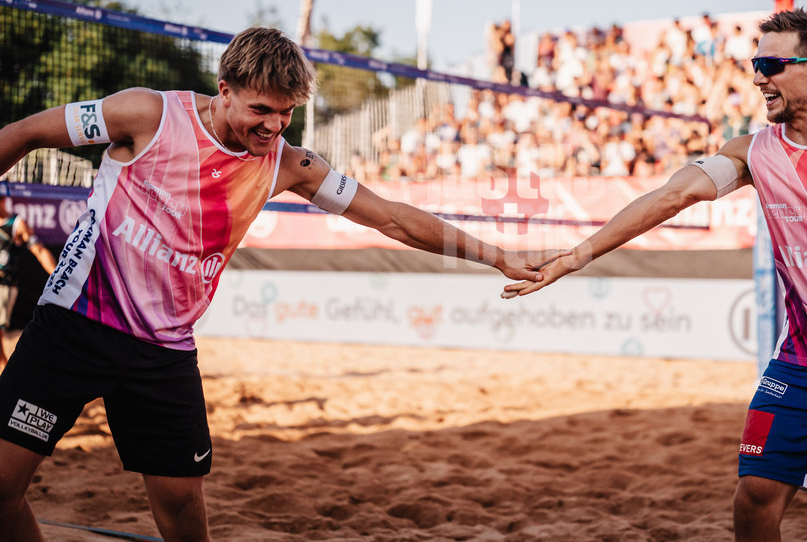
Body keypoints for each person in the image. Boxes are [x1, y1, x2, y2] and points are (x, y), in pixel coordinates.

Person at [0, 27, 556, 542]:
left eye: (286, 114)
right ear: (224, 91)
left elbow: (390, 217)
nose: (272, 126)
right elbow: (25, 133)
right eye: (261, 109)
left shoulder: (290, 164)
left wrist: (497, 257)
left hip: (164, 351)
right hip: (73, 325)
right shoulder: (147, 114)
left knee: (179, 505)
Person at [503, 9, 807, 541]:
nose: (757, 77)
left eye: (771, 64)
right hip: (804, 363)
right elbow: (672, 195)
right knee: (755, 498)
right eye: (755, 63)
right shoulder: (753, 152)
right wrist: (577, 255)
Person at [0, 194, 57, 367]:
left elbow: (39, 250)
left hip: (5, 285)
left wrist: (57, 274)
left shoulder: (16, 224)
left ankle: (4, 366)